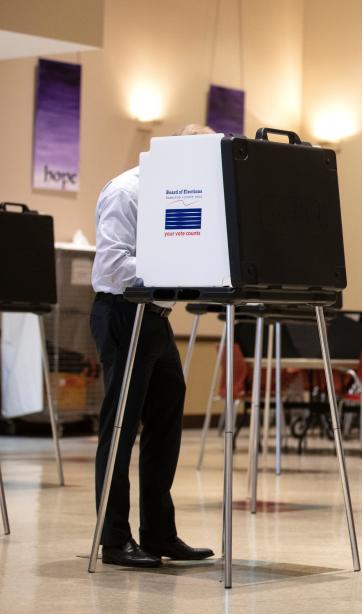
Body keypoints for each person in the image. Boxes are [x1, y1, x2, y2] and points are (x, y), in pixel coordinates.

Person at [90, 124, 215, 567]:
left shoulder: (181, 194)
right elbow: (113, 262)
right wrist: (174, 262)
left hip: (156, 318)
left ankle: (159, 534)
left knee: (165, 424)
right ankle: (114, 539)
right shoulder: (128, 191)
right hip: (123, 311)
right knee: (121, 425)